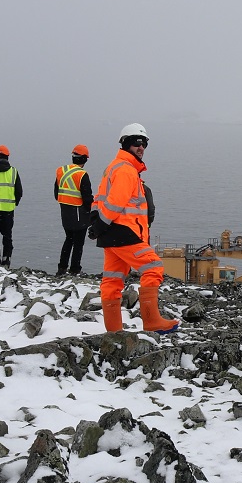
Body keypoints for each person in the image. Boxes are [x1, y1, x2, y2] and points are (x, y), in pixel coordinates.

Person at [89, 123, 178, 333]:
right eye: (137, 143)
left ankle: (114, 331)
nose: (141, 147)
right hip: (124, 233)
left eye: (144, 143)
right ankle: (151, 321)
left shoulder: (113, 167)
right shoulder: (126, 170)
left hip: (111, 234)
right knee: (153, 267)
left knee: (112, 281)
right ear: (126, 144)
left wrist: (96, 223)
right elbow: (115, 202)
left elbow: (99, 199)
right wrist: (101, 223)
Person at [55, 144, 93, 275]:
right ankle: (75, 269)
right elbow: (87, 198)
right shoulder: (82, 175)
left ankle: (62, 268)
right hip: (79, 214)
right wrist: (91, 213)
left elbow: (56, 193)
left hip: (65, 212)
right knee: (78, 243)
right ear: (85, 159)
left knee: (68, 239)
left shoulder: (61, 170)